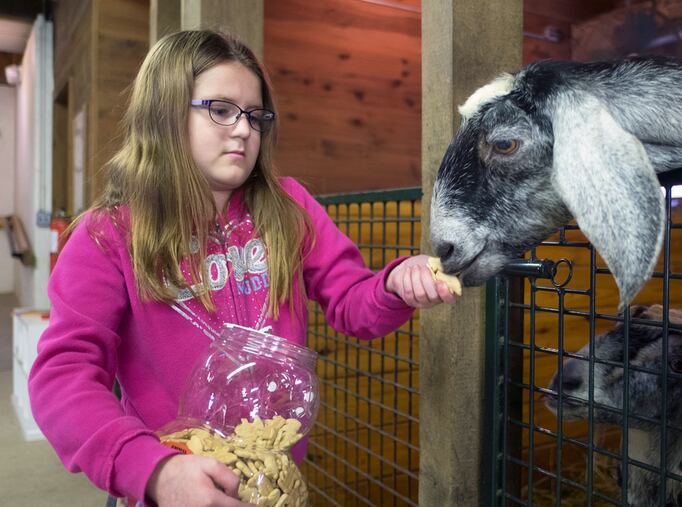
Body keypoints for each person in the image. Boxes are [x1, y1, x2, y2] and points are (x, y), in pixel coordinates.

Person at [28, 30, 457, 507]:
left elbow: (351, 301)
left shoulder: (289, 207)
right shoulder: (107, 235)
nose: (243, 130)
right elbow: (63, 374)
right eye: (221, 110)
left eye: (254, 115)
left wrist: (394, 285)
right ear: (166, 113)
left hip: (271, 484)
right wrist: (151, 469)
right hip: (169, 485)